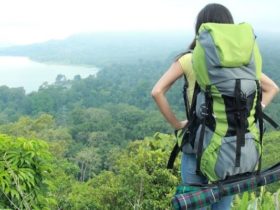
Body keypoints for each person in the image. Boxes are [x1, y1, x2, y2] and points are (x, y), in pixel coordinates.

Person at [151, 3, 279, 210]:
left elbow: (157, 92)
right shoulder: (244, 66)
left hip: (196, 148)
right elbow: (272, 88)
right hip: (231, 152)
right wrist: (253, 110)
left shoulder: (189, 58)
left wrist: (177, 124)